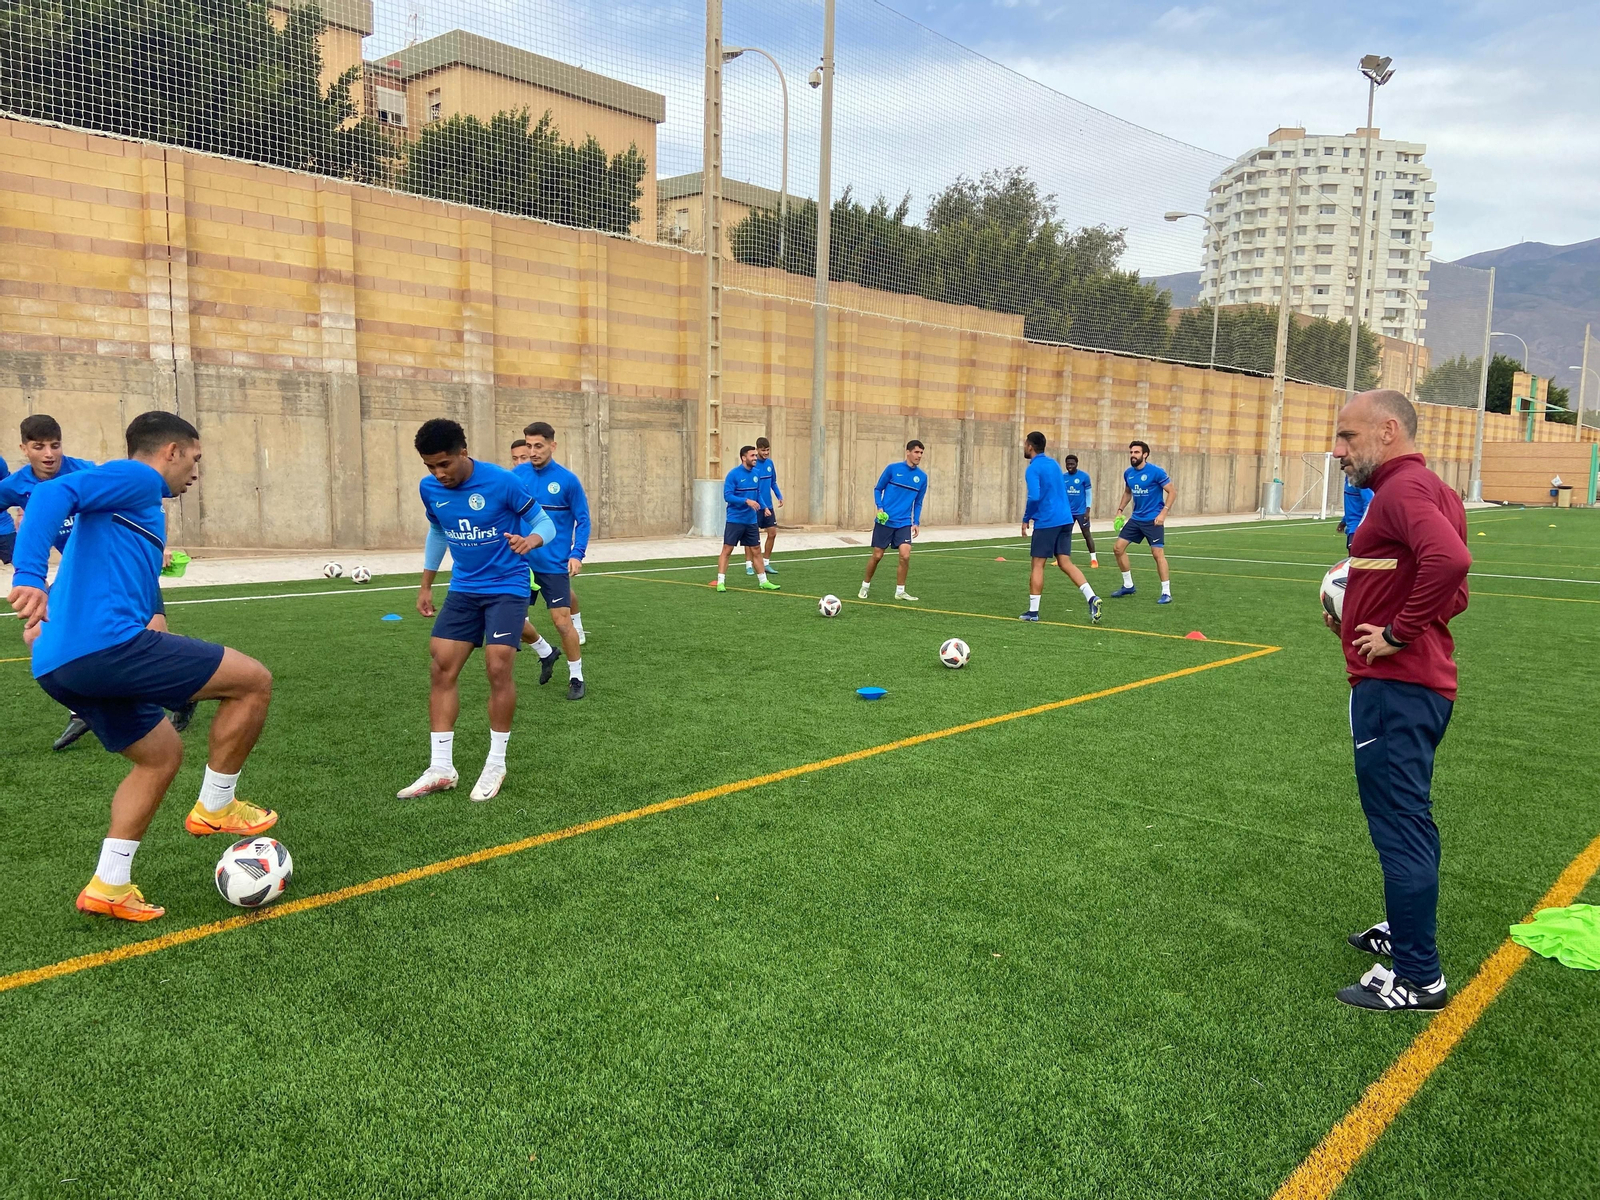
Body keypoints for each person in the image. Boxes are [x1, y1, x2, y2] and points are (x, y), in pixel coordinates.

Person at [7, 411, 277, 922]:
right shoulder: (139, 477)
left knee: (160, 754)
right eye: (194, 459)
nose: (195, 472)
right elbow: (46, 495)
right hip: (106, 648)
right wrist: (29, 575)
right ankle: (216, 807)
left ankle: (109, 885)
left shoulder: (134, 502)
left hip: (57, 664)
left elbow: (99, 565)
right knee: (254, 682)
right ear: (171, 451)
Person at [1327, 390, 1471, 1012]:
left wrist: (1392, 632)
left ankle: (1419, 977)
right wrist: (1372, 604)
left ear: (1389, 430)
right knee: (1409, 817)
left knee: (1398, 824)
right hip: (1420, 685)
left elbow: (1450, 561)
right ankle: (1405, 930)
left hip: (1397, 688)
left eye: (1348, 437)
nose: (1338, 451)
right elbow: (1453, 591)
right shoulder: (1437, 489)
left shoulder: (1402, 491)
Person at [0, 415, 199, 749]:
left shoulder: (85, 471)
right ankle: (83, 706)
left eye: (55, 445)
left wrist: (159, 547)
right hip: (77, 579)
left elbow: (136, 505)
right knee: (35, 633)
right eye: (39, 447)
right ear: (24, 449)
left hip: (122, 570)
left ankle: (183, 693)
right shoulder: (15, 485)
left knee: (154, 636)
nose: (49, 454)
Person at [404, 418, 555, 802]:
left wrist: (531, 539)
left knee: (498, 665)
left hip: (506, 585)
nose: (438, 474)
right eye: (430, 467)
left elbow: (544, 522)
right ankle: (441, 767)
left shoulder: (502, 482)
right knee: (441, 665)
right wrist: (425, 584)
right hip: (464, 587)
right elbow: (438, 532)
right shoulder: (430, 489)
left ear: (463, 453)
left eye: (444, 465)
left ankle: (496, 763)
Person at [514, 422, 590, 699]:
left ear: (552, 446)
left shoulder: (567, 480)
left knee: (561, 622)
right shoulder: (517, 476)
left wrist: (576, 553)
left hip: (554, 564)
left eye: (538, 446)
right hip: (520, 563)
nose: (533, 451)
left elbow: (583, 520)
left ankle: (576, 676)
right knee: (514, 623)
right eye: (529, 446)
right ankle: (546, 652)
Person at [1019, 433, 1102, 623]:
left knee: (1037, 564)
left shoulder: (1033, 469)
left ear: (1030, 446)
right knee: (1065, 562)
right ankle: (1092, 597)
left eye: (1025, 444)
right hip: (1065, 519)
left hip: (1047, 520)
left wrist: (1026, 519)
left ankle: (1033, 612)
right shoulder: (1054, 464)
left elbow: (1034, 496)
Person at [860, 440, 927, 602]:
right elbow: (878, 489)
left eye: (921, 453)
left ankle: (900, 591)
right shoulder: (892, 469)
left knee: (905, 555)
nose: (919, 456)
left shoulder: (922, 477)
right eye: (917, 452)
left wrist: (916, 522)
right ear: (908, 452)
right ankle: (865, 586)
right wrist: (880, 507)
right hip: (885, 521)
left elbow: (918, 502)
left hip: (904, 522)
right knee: (877, 556)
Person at [1110, 440, 1175, 604]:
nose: (1133, 455)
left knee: (1157, 554)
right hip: (1136, 519)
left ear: (1145, 454)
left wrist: (1163, 514)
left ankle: (1166, 593)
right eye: (1131, 452)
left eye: (1136, 452)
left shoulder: (1156, 472)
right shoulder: (1128, 473)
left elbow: (1172, 492)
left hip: (1153, 520)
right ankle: (1128, 585)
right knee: (1118, 549)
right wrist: (1120, 511)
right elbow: (1127, 492)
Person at [715, 446, 779, 593]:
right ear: (744, 458)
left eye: (756, 456)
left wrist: (764, 507)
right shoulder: (733, 474)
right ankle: (720, 582)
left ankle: (764, 581)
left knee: (756, 550)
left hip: (751, 520)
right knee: (727, 549)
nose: (755, 458)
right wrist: (746, 501)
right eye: (752, 456)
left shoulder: (756, 473)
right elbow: (728, 496)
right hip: (735, 519)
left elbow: (757, 494)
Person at [750, 436, 782, 575]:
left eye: (767, 450)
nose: (766, 453)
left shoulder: (770, 464)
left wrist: (779, 496)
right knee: (752, 536)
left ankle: (766, 562)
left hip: (768, 505)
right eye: (763, 450)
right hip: (756, 506)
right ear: (757, 450)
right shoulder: (753, 465)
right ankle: (749, 565)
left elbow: (773, 482)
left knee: (772, 533)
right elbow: (755, 488)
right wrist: (763, 506)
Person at [1061, 454, 1099, 568]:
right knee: (1064, 535)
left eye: (1072, 464)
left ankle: (1094, 560)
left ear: (1077, 464)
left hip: (1082, 512)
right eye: (1068, 464)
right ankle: (1061, 559)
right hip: (1068, 513)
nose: (1070, 466)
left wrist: (1088, 510)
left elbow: (1088, 494)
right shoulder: (1063, 477)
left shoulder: (1084, 477)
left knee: (1086, 534)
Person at [1340, 476, 1376, 554]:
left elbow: (1369, 503)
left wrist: (1364, 525)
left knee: (1356, 560)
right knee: (1353, 559)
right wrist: (1344, 521)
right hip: (1351, 528)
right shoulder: (1348, 479)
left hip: (1358, 529)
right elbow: (1350, 505)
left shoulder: (1361, 482)